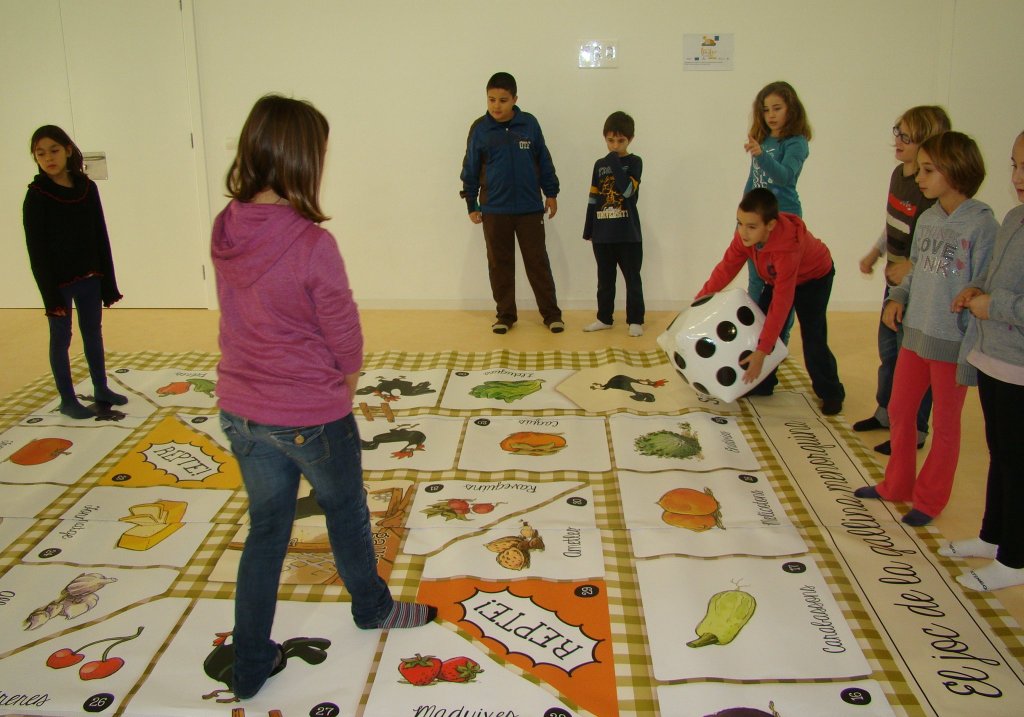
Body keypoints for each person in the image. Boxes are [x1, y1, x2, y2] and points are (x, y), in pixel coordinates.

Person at [212, 95, 436, 700]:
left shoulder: (227, 224)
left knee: (266, 530)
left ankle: (251, 664)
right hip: (309, 414)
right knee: (346, 509)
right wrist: (347, 378)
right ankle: (371, 607)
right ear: (300, 160)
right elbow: (345, 337)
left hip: (239, 410)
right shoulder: (312, 245)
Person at [855, 131, 997, 526]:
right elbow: (916, 268)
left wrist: (974, 293)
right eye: (920, 169)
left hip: (952, 342)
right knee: (900, 409)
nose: (919, 177)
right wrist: (898, 296)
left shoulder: (983, 225)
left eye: (929, 170)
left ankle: (930, 500)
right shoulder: (929, 218)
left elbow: (985, 279)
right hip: (916, 334)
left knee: (946, 425)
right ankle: (896, 484)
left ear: (956, 172)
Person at [941, 131, 1024, 591]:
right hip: (994, 356)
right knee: (1000, 452)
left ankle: (1015, 559)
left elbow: (1014, 301)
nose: (1016, 177)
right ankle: (995, 537)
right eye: (1014, 164)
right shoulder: (1014, 217)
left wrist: (998, 306)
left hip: (1019, 366)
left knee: (1017, 461)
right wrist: (978, 291)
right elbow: (996, 278)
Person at [696, 188, 845, 415]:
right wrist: (700, 300)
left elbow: (782, 304)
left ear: (771, 225)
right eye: (739, 223)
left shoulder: (787, 248)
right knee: (757, 329)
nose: (743, 232)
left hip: (814, 278)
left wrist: (764, 350)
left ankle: (831, 392)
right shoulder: (744, 237)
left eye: (751, 226)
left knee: (813, 336)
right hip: (778, 280)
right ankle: (763, 384)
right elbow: (726, 268)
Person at [856, 106, 952, 456]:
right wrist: (875, 253)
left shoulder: (928, 191)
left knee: (910, 357)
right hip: (893, 282)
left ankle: (915, 428)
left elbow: (933, 245)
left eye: (906, 136)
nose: (897, 140)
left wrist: (908, 267)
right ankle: (886, 412)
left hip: (915, 285)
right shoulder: (899, 176)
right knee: (887, 351)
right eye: (897, 130)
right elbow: (893, 223)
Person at [23, 125, 127, 419]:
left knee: (93, 333)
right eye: (40, 154)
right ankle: (67, 399)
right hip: (60, 283)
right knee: (61, 338)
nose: (48, 158)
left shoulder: (86, 188)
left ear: (68, 150)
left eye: (54, 150)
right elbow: (37, 252)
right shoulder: (37, 195)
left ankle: (101, 387)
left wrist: (107, 280)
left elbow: (99, 235)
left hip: (90, 277)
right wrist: (50, 296)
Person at [460, 71, 564, 334]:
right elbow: (470, 167)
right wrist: (471, 202)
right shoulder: (480, 129)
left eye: (503, 100)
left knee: (537, 262)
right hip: (494, 210)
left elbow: (544, 160)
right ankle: (505, 316)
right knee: (499, 264)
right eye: (491, 99)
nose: (496, 105)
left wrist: (551, 193)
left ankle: (551, 314)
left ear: (515, 99)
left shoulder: (529, 124)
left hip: (530, 209)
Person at [742, 81, 812, 345]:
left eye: (777, 108)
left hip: (783, 221)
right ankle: (755, 339)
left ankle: (778, 341)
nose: (770, 115)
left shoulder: (796, 142)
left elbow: (784, 177)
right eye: (765, 109)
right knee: (756, 282)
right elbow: (754, 182)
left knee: (782, 285)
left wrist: (761, 155)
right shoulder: (763, 140)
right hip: (757, 224)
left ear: (790, 109)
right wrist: (743, 218)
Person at [582, 111, 645, 337]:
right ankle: (604, 318)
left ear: (630, 139)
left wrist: (615, 162)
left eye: (620, 141)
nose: (615, 145)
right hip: (603, 234)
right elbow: (593, 197)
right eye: (610, 140)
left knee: (632, 279)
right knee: (605, 280)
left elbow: (628, 191)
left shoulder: (634, 162)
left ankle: (635, 320)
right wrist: (589, 228)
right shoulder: (599, 165)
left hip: (628, 235)